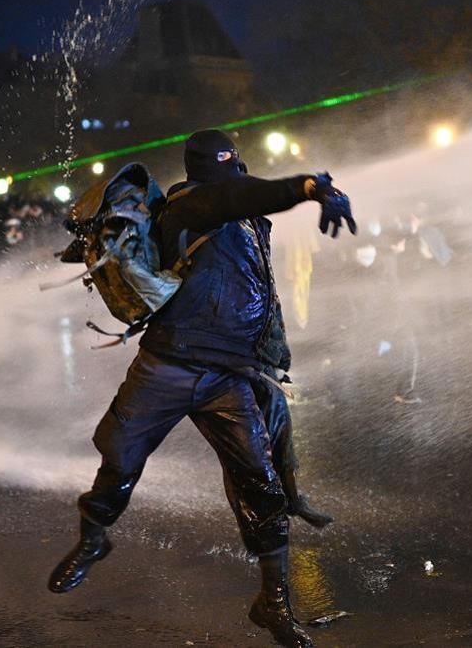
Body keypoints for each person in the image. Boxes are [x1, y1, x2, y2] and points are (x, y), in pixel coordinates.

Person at [48, 130, 355, 648]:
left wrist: (265, 361)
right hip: (169, 364)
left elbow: (249, 212)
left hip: (227, 374)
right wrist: (308, 185)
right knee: (120, 457)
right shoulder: (189, 204)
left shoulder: (244, 210)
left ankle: (273, 604)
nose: (232, 176)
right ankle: (94, 538)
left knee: (261, 485)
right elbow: (234, 195)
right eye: (225, 170)